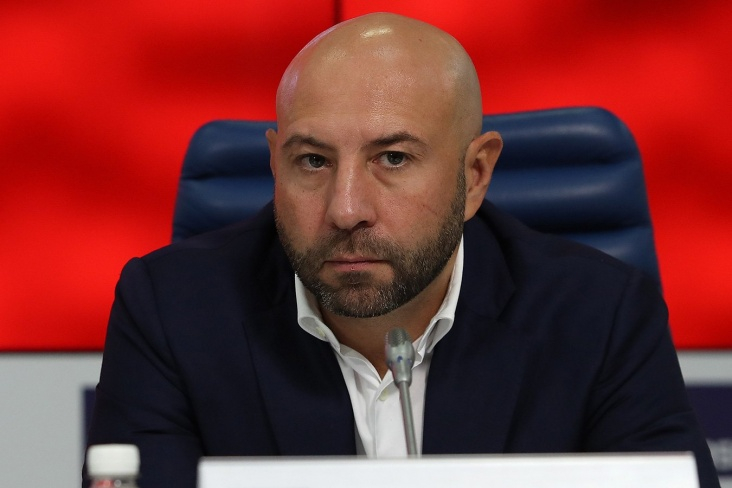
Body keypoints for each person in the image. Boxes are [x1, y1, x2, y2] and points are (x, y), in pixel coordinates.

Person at [86, 12, 720, 488]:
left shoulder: (600, 315)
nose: (345, 209)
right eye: (312, 161)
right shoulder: (172, 311)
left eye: (392, 158)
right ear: (275, 164)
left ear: (475, 174)